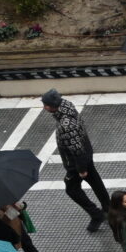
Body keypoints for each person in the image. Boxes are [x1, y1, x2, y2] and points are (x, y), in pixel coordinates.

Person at [40, 89, 107, 232]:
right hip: (86, 152)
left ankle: (97, 214)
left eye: (45, 104)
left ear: (51, 106)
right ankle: (108, 208)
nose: (44, 107)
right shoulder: (67, 105)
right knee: (95, 181)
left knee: (72, 189)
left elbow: (75, 148)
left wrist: (81, 169)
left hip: (76, 162)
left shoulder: (66, 125)